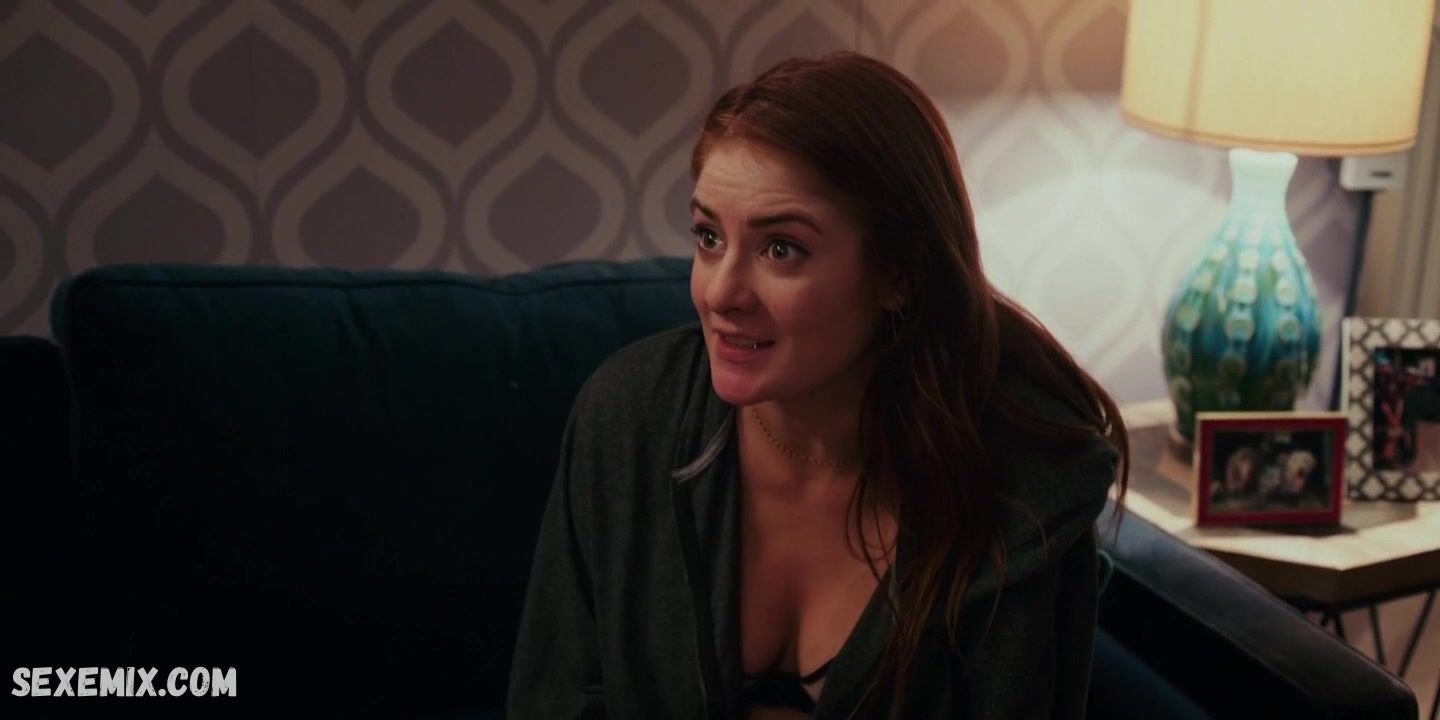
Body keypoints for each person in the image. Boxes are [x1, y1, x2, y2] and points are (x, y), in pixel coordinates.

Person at [507, 51, 1129, 719]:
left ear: (898, 275)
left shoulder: (1022, 489)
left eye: (782, 249)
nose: (720, 293)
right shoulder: (631, 418)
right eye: (709, 237)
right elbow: (557, 699)